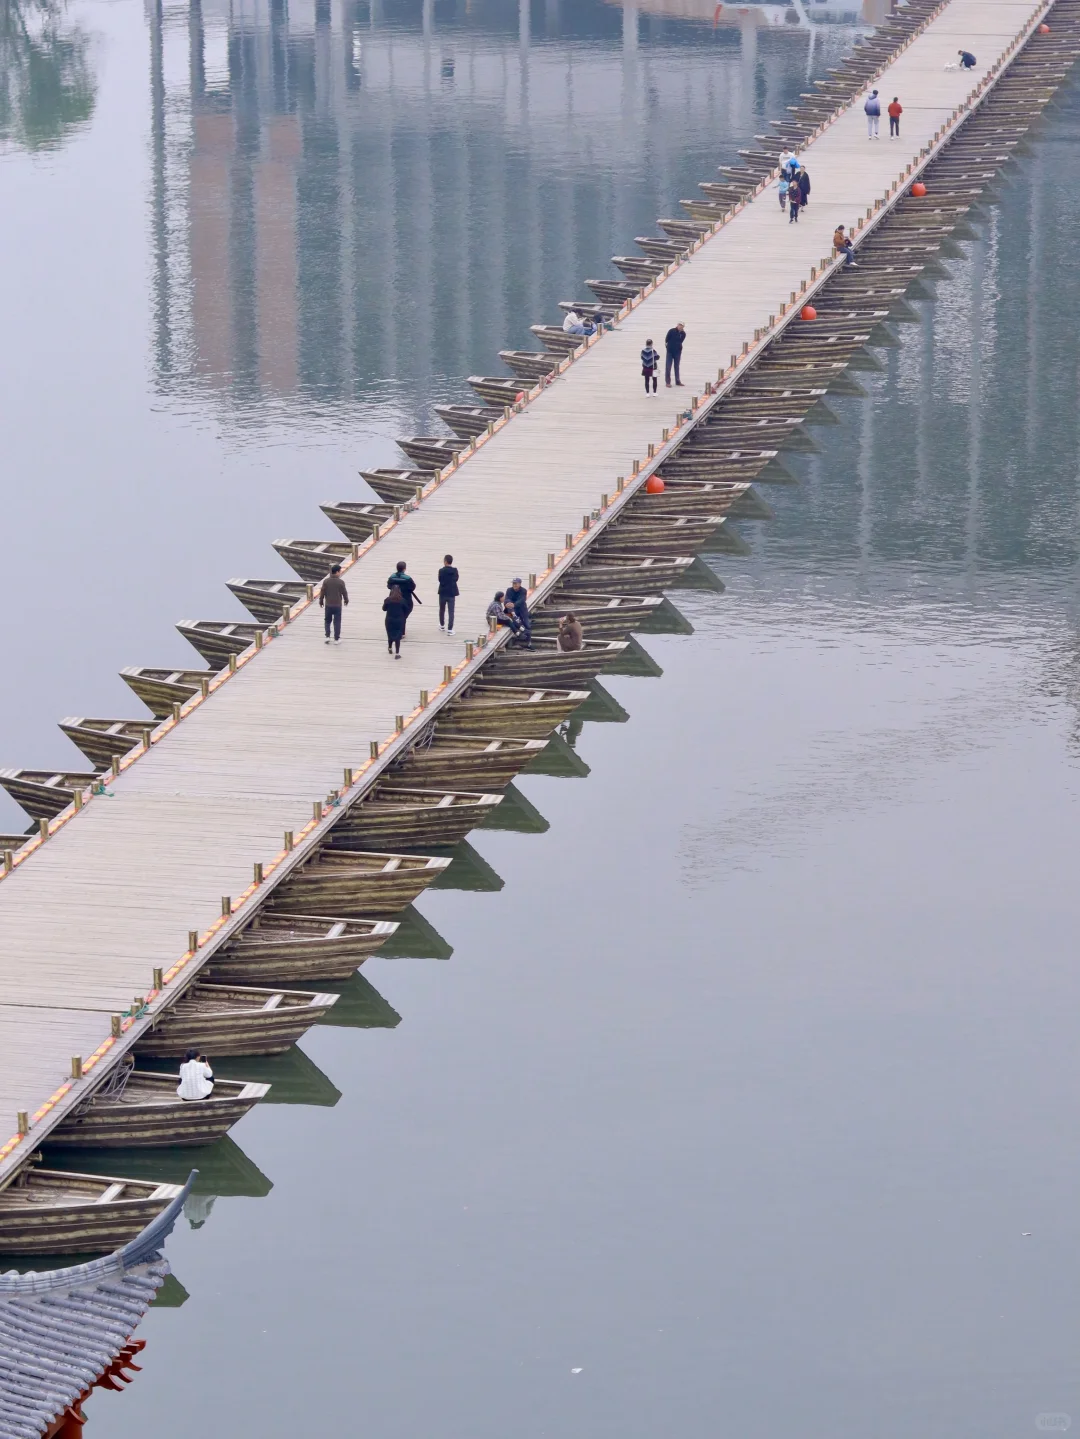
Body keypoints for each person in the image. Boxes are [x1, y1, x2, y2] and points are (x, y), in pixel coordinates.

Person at [319, 563, 348, 644]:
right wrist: (346, 600)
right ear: (337, 572)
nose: (340, 573)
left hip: (328, 605)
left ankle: (327, 637)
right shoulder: (341, 582)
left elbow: (322, 592)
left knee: (327, 621)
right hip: (337, 605)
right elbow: (344, 592)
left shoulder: (326, 581)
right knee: (337, 622)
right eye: (340, 571)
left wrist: (321, 601)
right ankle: (336, 639)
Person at [387, 561, 420, 632]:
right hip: (406, 598)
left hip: (393, 598)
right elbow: (412, 587)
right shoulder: (408, 578)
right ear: (404, 569)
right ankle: (402, 631)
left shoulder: (392, 577)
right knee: (405, 613)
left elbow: (389, 586)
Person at [505, 578, 532, 643]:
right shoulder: (509, 590)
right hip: (512, 609)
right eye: (513, 583)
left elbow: (522, 600)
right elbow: (507, 599)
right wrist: (508, 603)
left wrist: (514, 604)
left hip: (521, 608)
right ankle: (520, 635)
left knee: (527, 624)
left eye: (516, 583)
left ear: (520, 584)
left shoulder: (523, 591)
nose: (514, 585)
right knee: (514, 621)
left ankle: (529, 640)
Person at [438, 554, 459, 635]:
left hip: (443, 592)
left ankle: (442, 625)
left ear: (445, 561)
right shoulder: (455, 570)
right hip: (451, 593)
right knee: (451, 611)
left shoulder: (441, 570)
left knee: (442, 609)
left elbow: (440, 580)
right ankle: (450, 628)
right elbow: (456, 579)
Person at [383, 585, 406, 656]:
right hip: (399, 620)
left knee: (390, 634)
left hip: (389, 620)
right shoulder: (402, 600)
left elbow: (384, 609)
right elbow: (406, 609)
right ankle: (397, 653)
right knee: (398, 636)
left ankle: (390, 648)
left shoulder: (387, 600)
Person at [664, 323, 686, 387]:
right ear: (677, 325)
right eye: (679, 325)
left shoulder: (683, 334)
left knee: (677, 366)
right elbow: (666, 339)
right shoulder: (671, 331)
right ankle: (668, 382)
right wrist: (668, 347)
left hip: (678, 352)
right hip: (670, 351)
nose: (680, 326)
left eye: (682, 326)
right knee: (668, 366)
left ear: (683, 327)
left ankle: (678, 381)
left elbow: (681, 341)